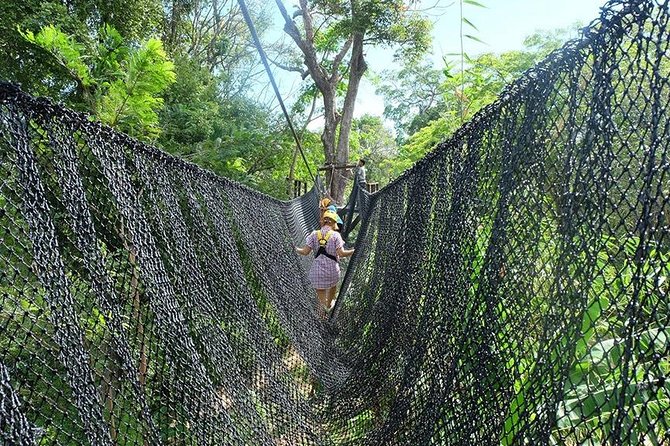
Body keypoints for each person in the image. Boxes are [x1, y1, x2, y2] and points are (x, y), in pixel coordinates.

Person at [295, 210, 354, 318]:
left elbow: (305, 252)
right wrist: (353, 251)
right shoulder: (336, 235)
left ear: (323, 221)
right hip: (332, 271)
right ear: (334, 223)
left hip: (317, 272)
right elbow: (341, 253)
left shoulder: (314, 234)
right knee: (333, 286)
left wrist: (294, 249)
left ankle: (321, 319)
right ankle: (330, 304)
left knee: (320, 301)